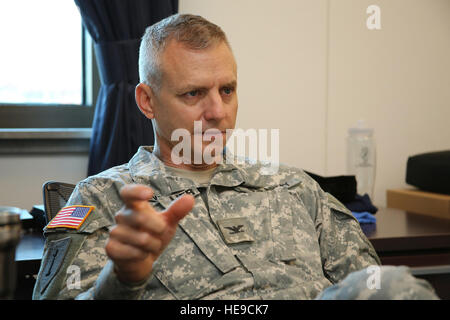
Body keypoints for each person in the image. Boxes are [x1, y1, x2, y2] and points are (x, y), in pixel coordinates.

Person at [33, 14, 438, 300]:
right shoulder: (103, 197)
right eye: (193, 93)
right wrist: (120, 280)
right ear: (147, 101)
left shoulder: (294, 187)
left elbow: (370, 284)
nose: (218, 111)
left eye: (227, 90)